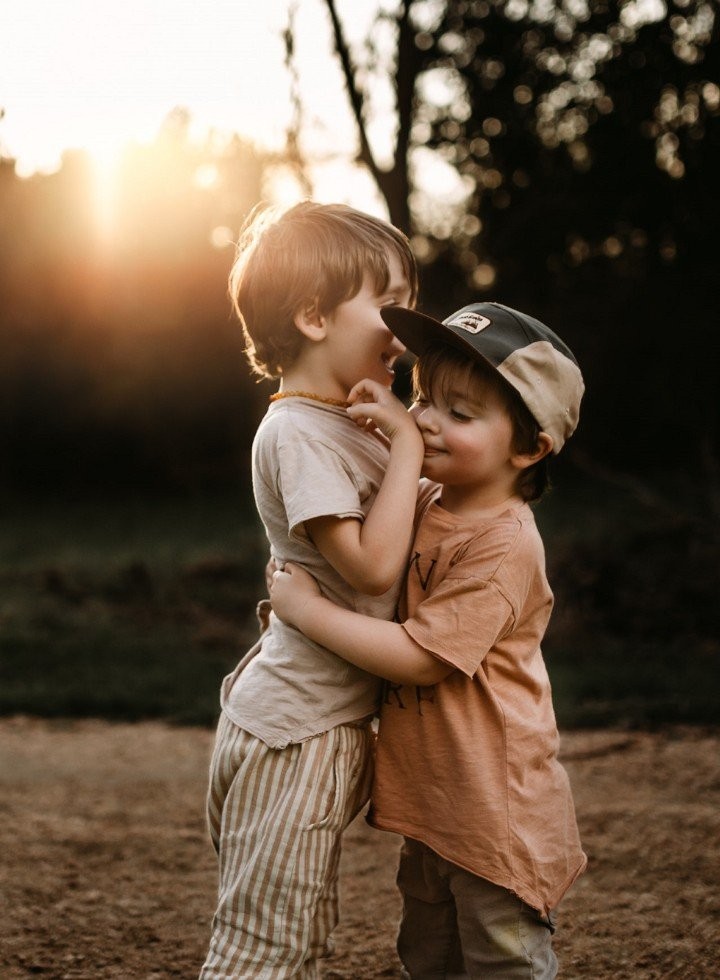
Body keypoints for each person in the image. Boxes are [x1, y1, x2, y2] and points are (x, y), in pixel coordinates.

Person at [270, 301, 588, 979]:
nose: (426, 421)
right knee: (429, 959)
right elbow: (370, 559)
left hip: (496, 814)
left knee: (501, 962)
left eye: (461, 413)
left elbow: (418, 660)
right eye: (423, 398)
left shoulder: (504, 546)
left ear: (530, 447)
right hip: (439, 807)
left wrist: (305, 613)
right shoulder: (425, 500)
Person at [199, 201, 425, 979]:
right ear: (313, 316)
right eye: (389, 304)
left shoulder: (342, 423)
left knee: (282, 932)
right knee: (268, 949)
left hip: (303, 719)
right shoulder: (297, 434)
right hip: (300, 728)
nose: (405, 328)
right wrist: (409, 449)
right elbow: (369, 569)